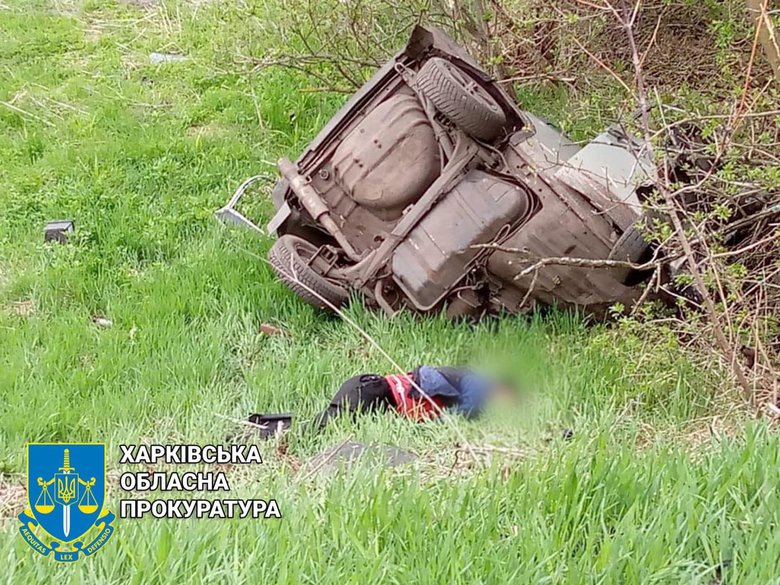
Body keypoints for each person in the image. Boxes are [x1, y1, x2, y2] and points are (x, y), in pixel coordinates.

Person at [248, 366, 506, 438]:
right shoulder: (479, 385)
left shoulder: (467, 377)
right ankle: (261, 432)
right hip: (375, 393)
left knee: (321, 426)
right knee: (317, 429)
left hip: (371, 389)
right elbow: (462, 415)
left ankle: (265, 425)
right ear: (502, 388)